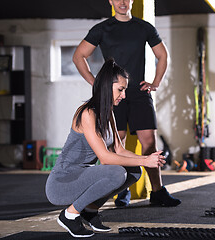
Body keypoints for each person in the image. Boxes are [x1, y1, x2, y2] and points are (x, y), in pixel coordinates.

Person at [73, 0, 181, 207]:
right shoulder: (102, 29)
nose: (122, 2)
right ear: (111, 1)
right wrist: (97, 84)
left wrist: (155, 83)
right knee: (116, 144)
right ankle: (119, 190)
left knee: (149, 143)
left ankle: (157, 192)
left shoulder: (144, 27)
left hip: (139, 94)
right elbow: (79, 56)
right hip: (113, 97)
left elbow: (162, 55)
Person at [45, 59, 166, 238]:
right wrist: (144, 160)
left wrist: (144, 161)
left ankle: (90, 210)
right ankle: (70, 215)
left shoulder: (107, 112)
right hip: (63, 183)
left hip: (83, 176)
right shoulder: (87, 113)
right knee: (116, 173)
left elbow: (119, 149)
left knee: (134, 171)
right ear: (107, 86)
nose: (123, 96)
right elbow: (106, 157)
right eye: (121, 90)